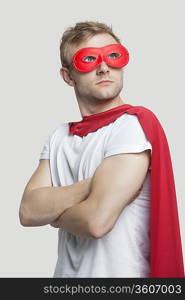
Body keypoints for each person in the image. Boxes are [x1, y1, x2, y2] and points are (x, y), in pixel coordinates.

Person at [19, 21, 184, 278]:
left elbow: (95, 222)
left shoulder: (132, 125)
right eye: (89, 59)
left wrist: (51, 216)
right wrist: (93, 186)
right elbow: (28, 211)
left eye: (113, 56)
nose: (104, 67)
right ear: (68, 76)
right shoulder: (59, 137)